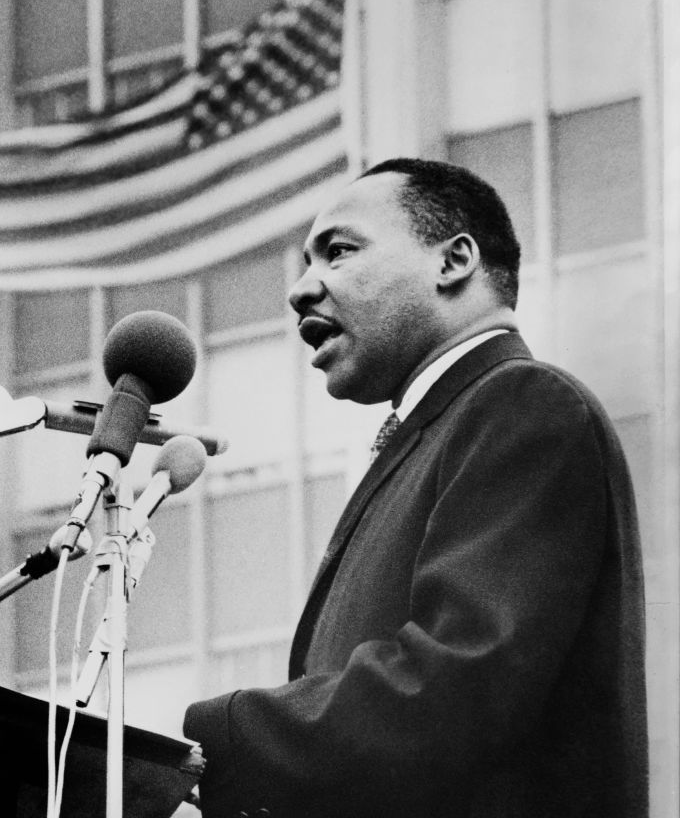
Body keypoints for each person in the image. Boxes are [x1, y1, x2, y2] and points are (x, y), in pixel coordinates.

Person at [183, 158, 648, 818]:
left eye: (338, 251)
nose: (300, 290)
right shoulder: (444, 431)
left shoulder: (524, 406)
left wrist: (221, 738)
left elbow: (457, 689)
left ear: (453, 261)